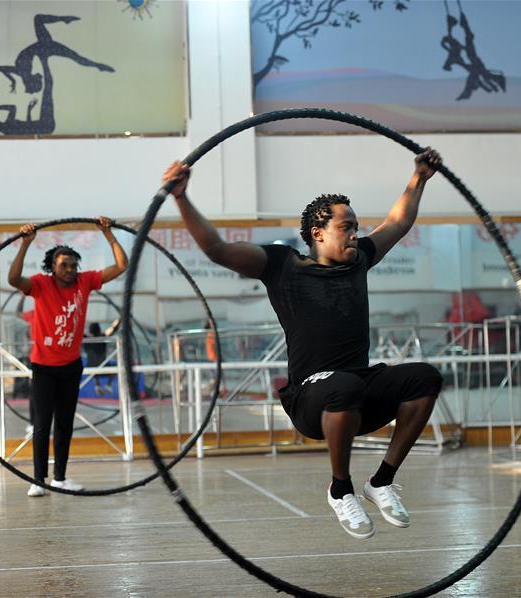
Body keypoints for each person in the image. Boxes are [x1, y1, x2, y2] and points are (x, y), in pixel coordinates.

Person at [162, 148, 444, 539]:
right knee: (342, 385)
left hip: (360, 390)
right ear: (318, 232)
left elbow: (398, 222)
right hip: (311, 398)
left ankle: (381, 481)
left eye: (357, 226)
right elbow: (217, 249)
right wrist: (181, 197)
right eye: (347, 227)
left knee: (425, 377)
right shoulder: (282, 266)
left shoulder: (360, 259)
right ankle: (340, 488)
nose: (356, 234)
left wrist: (419, 178)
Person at [8, 216, 127, 497]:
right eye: (64, 265)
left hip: (71, 367)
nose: (71, 270)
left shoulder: (85, 282)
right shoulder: (40, 285)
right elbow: (13, 279)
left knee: (64, 424)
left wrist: (108, 234)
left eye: (74, 265)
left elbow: (122, 266)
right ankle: (39, 480)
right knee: (42, 425)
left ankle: (59, 478)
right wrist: (26, 244)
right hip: (44, 367)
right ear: (52, 267)